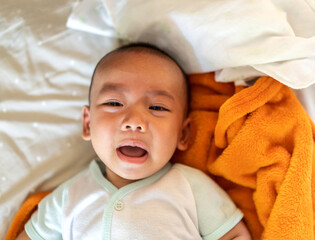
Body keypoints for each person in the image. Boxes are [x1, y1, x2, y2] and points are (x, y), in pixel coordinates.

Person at [17, 43, 251, 240]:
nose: (134, 121)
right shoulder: (69, 196)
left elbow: (233, 235)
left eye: (157, 107)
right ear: (88, 124)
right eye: (114, 103)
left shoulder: (189, 187)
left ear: (183, 134)